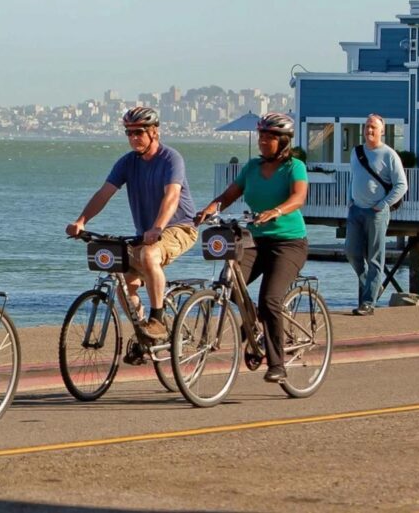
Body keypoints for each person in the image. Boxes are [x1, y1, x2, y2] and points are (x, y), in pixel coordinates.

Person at [66, 106, 198, 354]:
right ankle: (145, 336)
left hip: (179, 227)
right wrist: (81, 221)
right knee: (124, 287)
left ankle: (157, 319)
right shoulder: (127, 162)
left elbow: (171, 196)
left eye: (139, 132)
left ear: (154, 132)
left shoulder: (171, 159)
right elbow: (104, 193)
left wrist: (157, 227)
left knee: (149, 255)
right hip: (147, 233)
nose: (133, 137)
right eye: (129, 133)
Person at [194, 112, 308, 383]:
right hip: (256, 241)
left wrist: (276, 211)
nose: (263, 141)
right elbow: (228, 196)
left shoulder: (294, 167)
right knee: (230, 282)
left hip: (289, 243)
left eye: (269, 137)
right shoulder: (252, 168)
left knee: (270, 299)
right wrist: (209, 210)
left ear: (283, 141)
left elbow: (298, 197)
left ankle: (277, 364)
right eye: (261, 136)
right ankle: (254, 322)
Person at [345, 114, 408, 316]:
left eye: (373, 127)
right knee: (351, 252)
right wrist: (350, 199)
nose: (369, 130)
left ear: (382, 131)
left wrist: (383, 204)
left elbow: (402, 185)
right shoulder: (356, 152)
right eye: (367, 126)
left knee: (374, 258)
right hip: (356, 210)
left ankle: (368, 303)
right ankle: (371, 286)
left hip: (377, 213)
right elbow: (354, 177)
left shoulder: (389, 155)